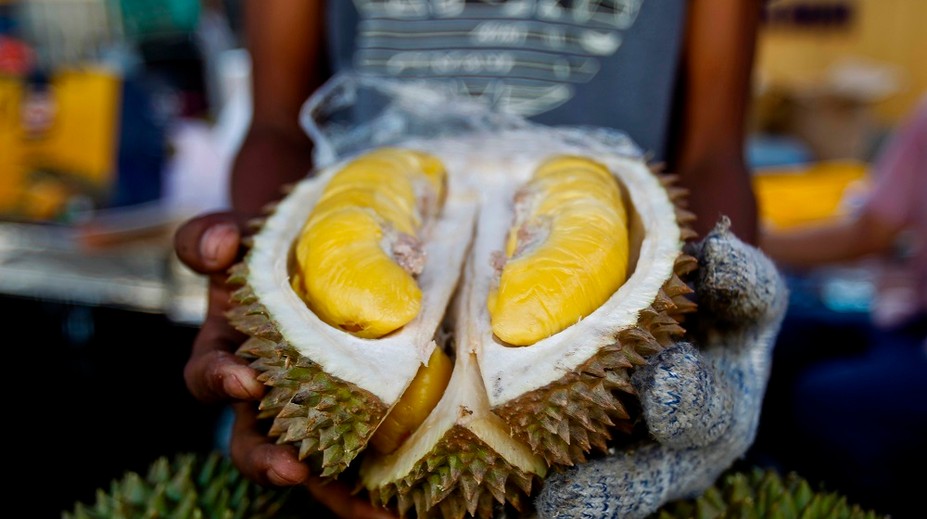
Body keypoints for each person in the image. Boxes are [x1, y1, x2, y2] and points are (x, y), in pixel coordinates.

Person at [173, 1, 764, 517]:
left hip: (612, 402)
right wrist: (256, 276)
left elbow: (714, 150)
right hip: (362, 200)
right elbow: (277, 122)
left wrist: (720, 329)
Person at [754, 94, 927, 518]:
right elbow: (871, 232)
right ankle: (763, 485)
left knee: (828, 400)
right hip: (905, 317)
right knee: (769, 337)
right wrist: (742, 239)